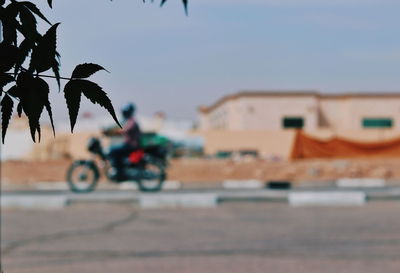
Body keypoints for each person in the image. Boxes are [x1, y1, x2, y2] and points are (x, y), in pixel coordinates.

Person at [105, 103, 142, 181]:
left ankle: (120, 172)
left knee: (113, 150)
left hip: (131, 145)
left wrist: (112, 132)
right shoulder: (128, 121)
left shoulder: (132, 121)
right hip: (129, 145)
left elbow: (124, 130)